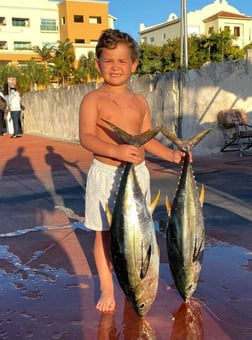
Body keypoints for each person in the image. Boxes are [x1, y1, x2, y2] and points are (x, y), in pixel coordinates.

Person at [79, 29, 186, 313]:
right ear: (97, 64)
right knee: (103, 234)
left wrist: (171, 154)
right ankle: (106, 284)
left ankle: (137, 279)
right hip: (105, 173)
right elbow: (87, 137)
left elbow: (146, 138)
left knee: (137, 235)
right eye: (108, 60)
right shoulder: (93, 99)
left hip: (137, 175)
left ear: (134, 64)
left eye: (122, 61)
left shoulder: (140, 102)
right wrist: (116, 151)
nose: (115, 67)